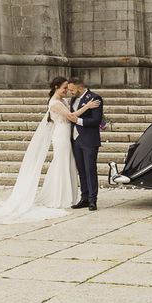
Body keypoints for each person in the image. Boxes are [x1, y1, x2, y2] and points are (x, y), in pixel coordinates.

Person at [0, 77, 101, 224]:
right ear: (56, 87)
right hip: (61, 135)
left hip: (71, 136)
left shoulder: (66, 100)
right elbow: (71, 116)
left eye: (68, 88)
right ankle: (59, 196)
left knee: (69, 165)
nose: (67, 90)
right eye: (64, 88)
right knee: (61, 163)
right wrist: (87, 106)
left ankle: (76, 196)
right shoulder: (54, 103)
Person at [67, 77, 103, 211]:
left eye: (71, 89)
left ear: (79, 87)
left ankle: (93, 200)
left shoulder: (95, 98)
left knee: (90, 170)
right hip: (76, 140)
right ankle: (84, 198)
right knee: (81, 170)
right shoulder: (73, 99)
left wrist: (78, 121)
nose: (70, 92)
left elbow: (96, 121)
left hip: (89, 140)